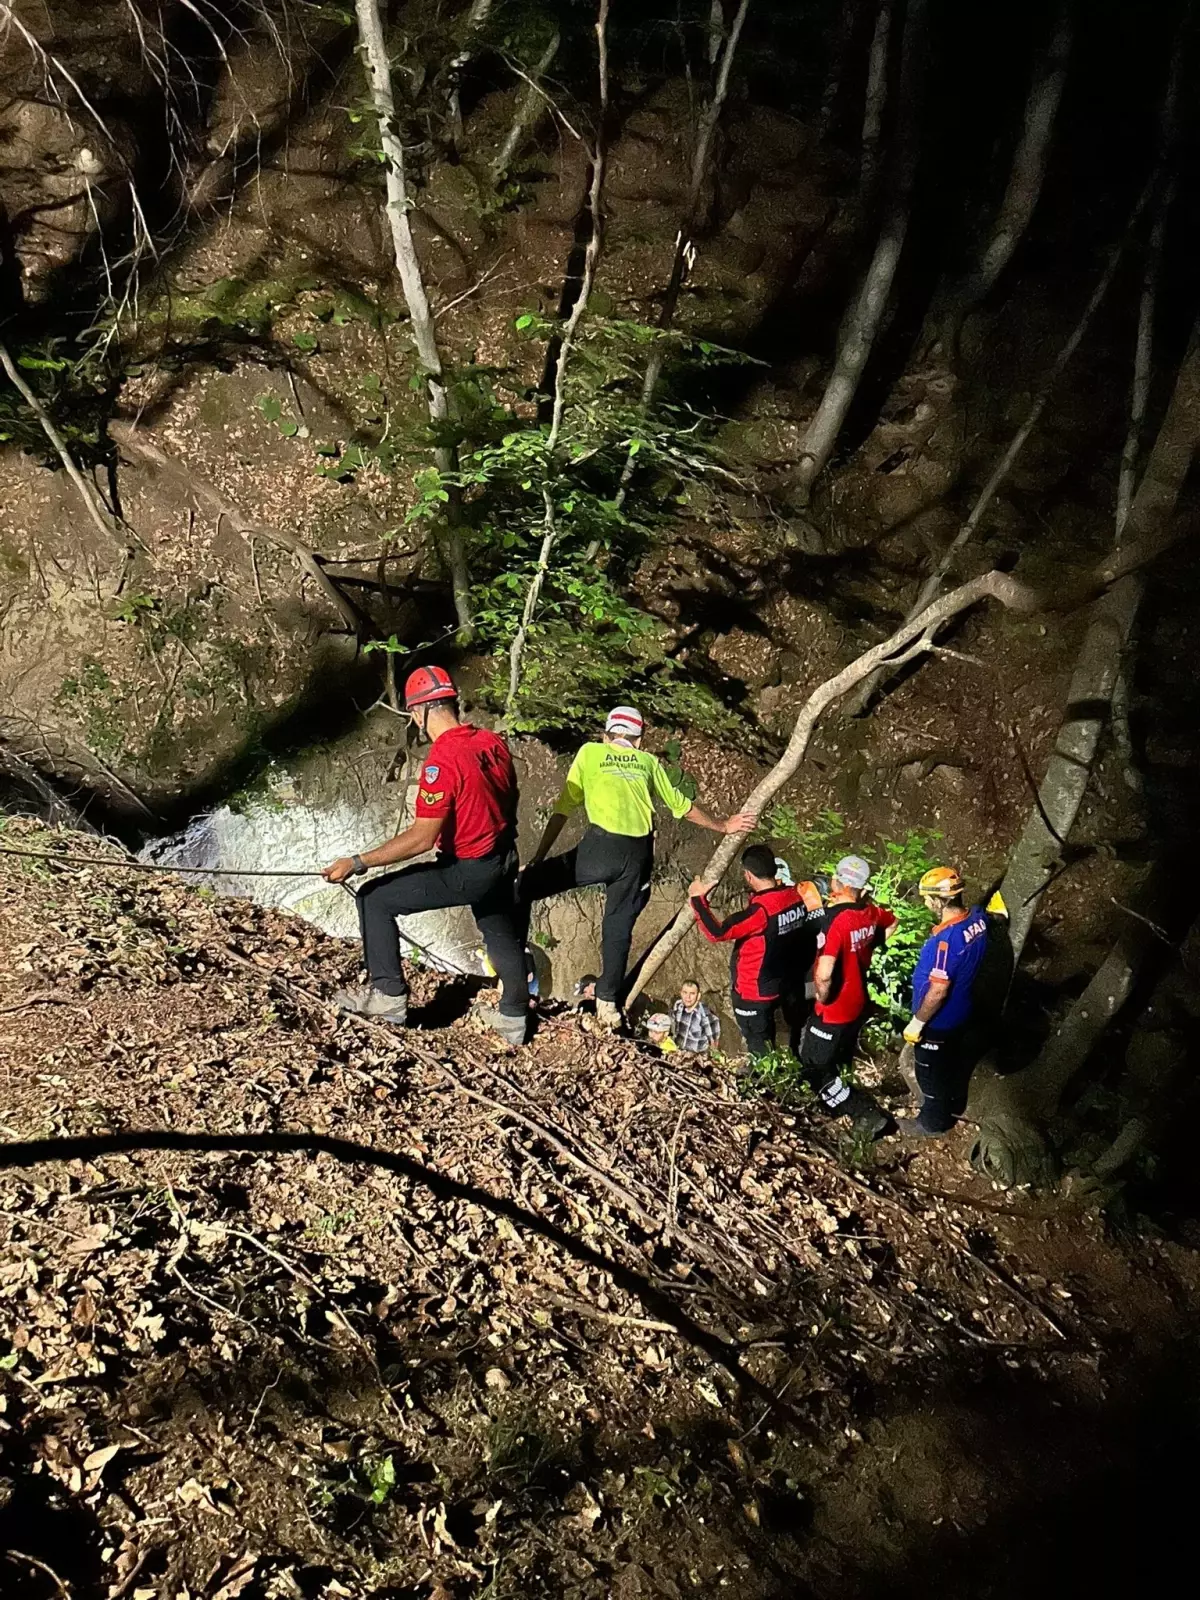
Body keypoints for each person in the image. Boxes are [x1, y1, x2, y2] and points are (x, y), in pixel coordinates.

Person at [323, 666, 529, 1045]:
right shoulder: (491, 742)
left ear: (419, 712)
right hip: (503, 857)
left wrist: (357, 863)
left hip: (468, 868)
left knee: (376, 899)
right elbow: (511, 796)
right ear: (452, 703)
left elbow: (421, 838)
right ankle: (514, 1019)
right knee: (499, 931)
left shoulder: (441, 761)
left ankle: (388, 996)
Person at [521, 706, 756, 1031]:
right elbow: (682, 808)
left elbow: (563, 808)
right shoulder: (648, 762)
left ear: (607, 736)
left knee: (525, 887)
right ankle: (608, 1007)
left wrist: (537, 858)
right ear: (640, 740)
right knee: (617, 929)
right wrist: (723, 826)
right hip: (637, 853)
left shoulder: (590, 752)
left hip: (599, 848)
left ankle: (512, 974)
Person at [798, 855, 896, 1135]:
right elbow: (892, 922)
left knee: (814, 1069)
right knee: (838, 1055)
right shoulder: (870, 912)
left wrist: (823, 997)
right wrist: (866, 950)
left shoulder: (835, 922)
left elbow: (825, 972)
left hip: (834, 1009)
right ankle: (832, 1102)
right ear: (863, 890)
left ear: (834, 882)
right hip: (858, 1001)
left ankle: (865, 1113)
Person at [689, 844, 812, 1059]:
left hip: (753, 992)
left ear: (748, 875)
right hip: (782, 984)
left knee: (758, 1045)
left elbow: (717, 932)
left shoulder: (761, 912)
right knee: (777, 1037)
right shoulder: (795, 897)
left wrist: (697, 900)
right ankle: (788, 1070)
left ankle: (768, 1084)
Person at [895, 867, 990, 1138]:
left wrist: (918, 1022)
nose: (926, 903)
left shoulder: (946, 942)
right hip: (963, 1011)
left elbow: (938, 991)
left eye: (928, 898)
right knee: (951, 1062)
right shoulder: (976, 920)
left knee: (930, 1072)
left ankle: (932, 1122)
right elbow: (987, 915)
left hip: (940, 1021)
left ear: (940, 900)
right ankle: (954, 1101)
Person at [670, 979, 721, 1054]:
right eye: (685, 992)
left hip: (696, 1056)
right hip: (678, 1052)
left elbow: (714, 1043)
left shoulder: (704, 1014)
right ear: (680, 993)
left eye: (692, 993)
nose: (688, 997)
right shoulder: (678, 1006)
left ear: (698, 995)